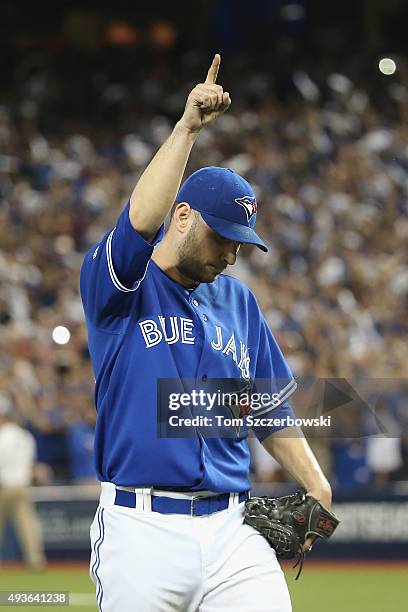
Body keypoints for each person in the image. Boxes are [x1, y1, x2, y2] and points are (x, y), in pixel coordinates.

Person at [80, 54, 332, 612]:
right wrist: (186, 128)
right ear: (185, 216)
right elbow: (139, 222)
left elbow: (269, 409)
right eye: (223, 239)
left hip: (231, 531)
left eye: (241, 243)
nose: (233, 255)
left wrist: (318, 485)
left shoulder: (238, 303)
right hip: (141, 530)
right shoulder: (119, 287)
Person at [0, 394, 46, 570]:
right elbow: (31, 461)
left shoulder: (3, 436)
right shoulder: (25, 435)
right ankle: (36, 561)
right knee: (27, 525)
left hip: (4, 486)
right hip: (23, 485)